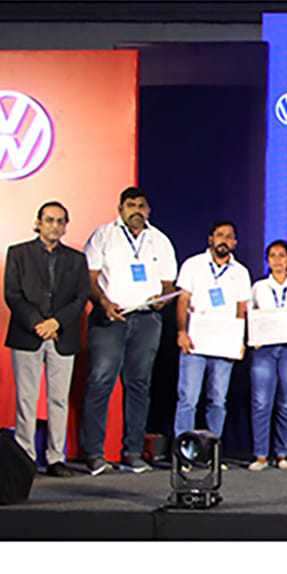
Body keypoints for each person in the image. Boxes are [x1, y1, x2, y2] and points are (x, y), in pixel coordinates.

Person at [80, 187, 178, 475]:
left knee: (139, 385)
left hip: (147, 320)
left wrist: (163, 299)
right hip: (111, 318)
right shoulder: (103, 235)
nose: (137, 210)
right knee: (100, 382)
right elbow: (90, 277)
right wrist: (103, 303)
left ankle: (132, 452)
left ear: (149, 210)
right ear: (120, 208)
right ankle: (94, 454)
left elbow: (169, 283)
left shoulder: (159, 240)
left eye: (142, 206)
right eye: (131, 205)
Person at [3, 201, 90, 476]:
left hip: (62, 336)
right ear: (38, 223)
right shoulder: (18, 253)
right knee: (26, 399)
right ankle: (25, 458)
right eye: (49, 220)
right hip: (27, 334)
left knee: (59, 400)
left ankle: (55, 458)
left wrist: (56, 322)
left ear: (66, 226)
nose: (55, 226)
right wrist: (38, 324)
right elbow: (12, 294)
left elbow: (81, 297)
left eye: (60, 221)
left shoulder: (76, 259)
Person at [173, 221, 252, 450]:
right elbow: (183, 300)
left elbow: (241, 309)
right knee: (188, 399)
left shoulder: (241, 272)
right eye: (220, 235)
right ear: (211, 239)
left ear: (234, 242)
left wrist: (239, 340)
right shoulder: (193, 265)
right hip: (195, 340)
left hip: (224, 343)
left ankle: (212, 453)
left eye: (229, 236)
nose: (224, 240)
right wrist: (181, 331)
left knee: (218, 400)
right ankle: (184, 453)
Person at [247, 240, 287, 471]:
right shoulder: (259, 287)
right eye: (272, 256)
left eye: (282, 255)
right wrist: (253, 337)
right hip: (264, 350)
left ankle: (282, 454)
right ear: (267, 260)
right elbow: (250, 314)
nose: (277, 260)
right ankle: (261, 455)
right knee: (261, 402)